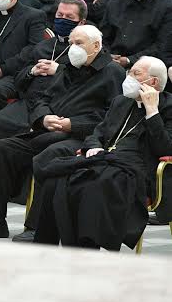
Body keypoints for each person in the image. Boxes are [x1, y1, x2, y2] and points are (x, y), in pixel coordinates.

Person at [0, 24, 126, 238]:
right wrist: (43, 118)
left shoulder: (112, 73)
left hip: (84, 138)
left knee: (51, 156)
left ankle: (37, 227)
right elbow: (42, 98)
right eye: (71, 43)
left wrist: (73, 124)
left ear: (96, 46)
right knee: (3, 147)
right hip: (51, 130)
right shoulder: (69, 67)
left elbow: (112, 115)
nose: (73, 48)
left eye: (79, 43)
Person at [30, 57, 172, 251]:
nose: (128, 77)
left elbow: (165, 148)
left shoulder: (168, 107)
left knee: (92, 186)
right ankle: (53, 246)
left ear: (153, 81)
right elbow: (97, 133)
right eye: (129, 72)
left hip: (135, 171)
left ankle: (89, 247)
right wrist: (93, 147)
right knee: (56, 179)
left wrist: (152, 112)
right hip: (103, 160)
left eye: (135, 74)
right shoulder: (121, 102)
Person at [0, 0, 88, 201]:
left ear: (81, 22)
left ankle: (21, 192)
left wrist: (59, 70)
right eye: (59, 15)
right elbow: (19, 78)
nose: (62, 19)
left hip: (59, 106)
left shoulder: (85, 51)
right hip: (30, 101)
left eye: (69, 17)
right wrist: (32, 71)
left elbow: (87, 81)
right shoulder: (43, 46)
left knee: (30, 132)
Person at [102, 0, 172, 69]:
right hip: (112, 62)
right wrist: (108, 55)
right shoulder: (115, 4)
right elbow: (104, 36)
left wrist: (130, 60)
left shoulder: (166, 7)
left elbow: (162, 46)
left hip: (147, 65)